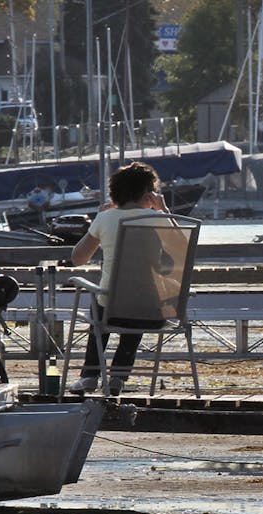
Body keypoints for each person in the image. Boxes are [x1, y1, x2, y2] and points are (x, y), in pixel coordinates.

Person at [68, 161, 170, 396]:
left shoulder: (106, 218)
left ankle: (90, 376)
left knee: (99, 306)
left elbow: (78, 259)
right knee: (138, 305)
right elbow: (182, 252)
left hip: (112, 309)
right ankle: (118, 378)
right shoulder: (160, 219)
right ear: (149, 194)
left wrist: (99, 218)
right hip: (154, 313)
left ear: (115, 193)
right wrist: (163, 210)